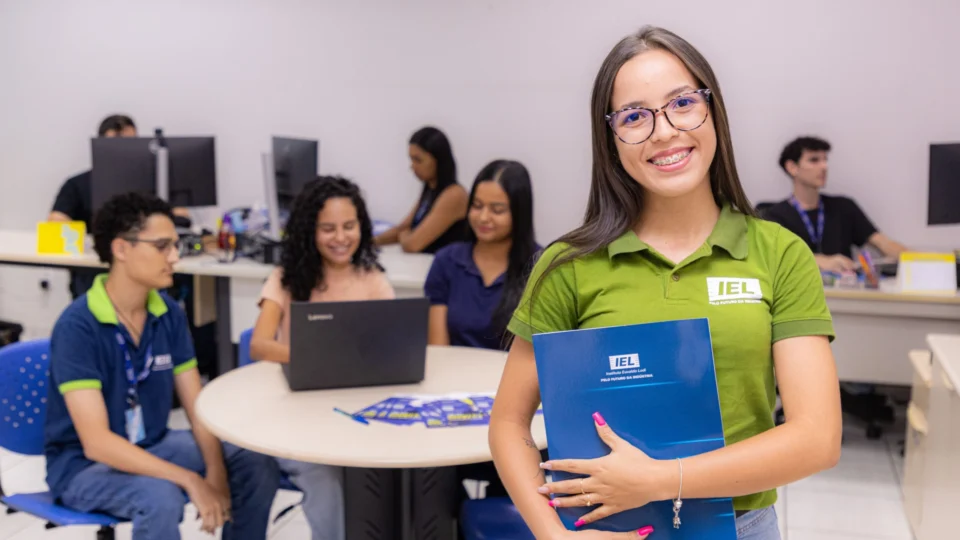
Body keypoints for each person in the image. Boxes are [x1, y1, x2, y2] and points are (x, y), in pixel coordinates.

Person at [488, 26, 842, 540]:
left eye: (682, 103)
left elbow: (817, 438)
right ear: (610, 140)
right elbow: (507, 423)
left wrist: (659, 480)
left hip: (743, 527)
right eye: (634, 116)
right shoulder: (568, 265)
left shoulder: (779, 253)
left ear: (712, 111)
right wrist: (555, 536)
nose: (664, 131)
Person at [44, 192, 279, 540]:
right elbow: (97, 443)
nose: (174, 257)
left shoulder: (167, 313)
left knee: (252, 460)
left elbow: (197, 409)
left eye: (175, 246)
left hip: (152, 443)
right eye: (162, 246)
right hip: (84, 466)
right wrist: (190, 479)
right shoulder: (78, 326)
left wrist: (215, 472)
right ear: (121, 249)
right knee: (160, 497)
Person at [250, 176, 394, 540]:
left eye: (349, 226)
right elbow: (260, 345)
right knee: (326, 481)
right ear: (308, 231)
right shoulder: (284, 279)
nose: (340, 237)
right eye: (328, 229)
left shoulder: (373, 280)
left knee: (388, 473)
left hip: (358, 415)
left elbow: (390, 349)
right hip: (298, 417)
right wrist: (320, 357)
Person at [49, 114, 191, 299]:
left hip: (147, 262)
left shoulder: (155, 181)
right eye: (115, 143)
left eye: (129, 143)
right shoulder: (78, 184)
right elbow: (56, 222)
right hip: (96, 266)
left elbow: (182, 217)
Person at [425, 159, 539, 351]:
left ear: (520, 212)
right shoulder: (446, 261)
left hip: (511, 370)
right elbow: (439, 349)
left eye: (497, 210)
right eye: (477, 206)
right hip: (454, 368)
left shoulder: (540, 266)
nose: (483, 217)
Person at [762, 136, 908, 274]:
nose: (824, 166)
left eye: (825, 160)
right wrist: (820, 261)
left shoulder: (844, 207)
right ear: (792, 167)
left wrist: (915, 259)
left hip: (845, 289)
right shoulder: (773, 215)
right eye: (814, 160)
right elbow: (775, 258)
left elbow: (882, 243)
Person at [374, 126, 468, 254]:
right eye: (411, 159)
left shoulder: (454, 195)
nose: (412, 166)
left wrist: (404, 235)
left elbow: (413, 245)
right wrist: (372, 241)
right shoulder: (430, 189)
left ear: (438, 160)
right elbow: (403, 228)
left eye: (418, 160)